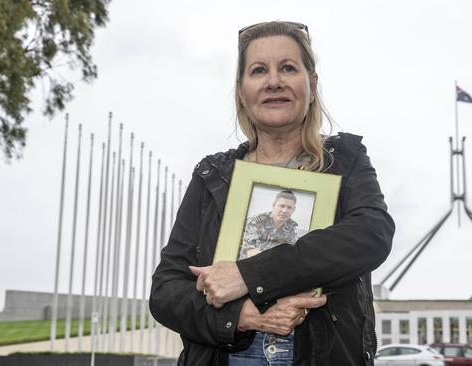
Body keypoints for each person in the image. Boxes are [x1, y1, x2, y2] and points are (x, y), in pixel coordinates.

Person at [150, 21, 395, 366]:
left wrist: (248, 276)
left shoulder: (346, 160)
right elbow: (165, 292)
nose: (274, 81)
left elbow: (372, 233)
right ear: (241, 90)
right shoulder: (212, 176)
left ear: (311, 84)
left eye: (288, 68)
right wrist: (243, 316)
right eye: (259, 70)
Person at [240, 190, 300, 259]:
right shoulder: (256, 222)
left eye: (289, 208)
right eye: (281, 206)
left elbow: (290, 254)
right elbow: (251, 252)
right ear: (274, 205)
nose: (284, 211)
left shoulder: (292, 227)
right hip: (248, 265)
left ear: (294, 209)